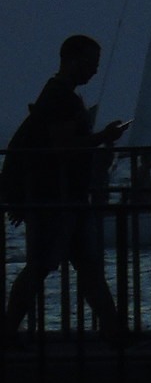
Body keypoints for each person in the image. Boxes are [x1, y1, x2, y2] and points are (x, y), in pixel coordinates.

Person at [1, 35, 129, 343]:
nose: (94, 71)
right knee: (41, 268)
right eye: (91, 63)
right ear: (73, 61)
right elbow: (63, 146)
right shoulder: (61, 98)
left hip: (65, 197)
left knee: (87, 268)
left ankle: (115, 332)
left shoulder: (57, 95)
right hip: (56, 200)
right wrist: (103, 136)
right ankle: (5, 334)